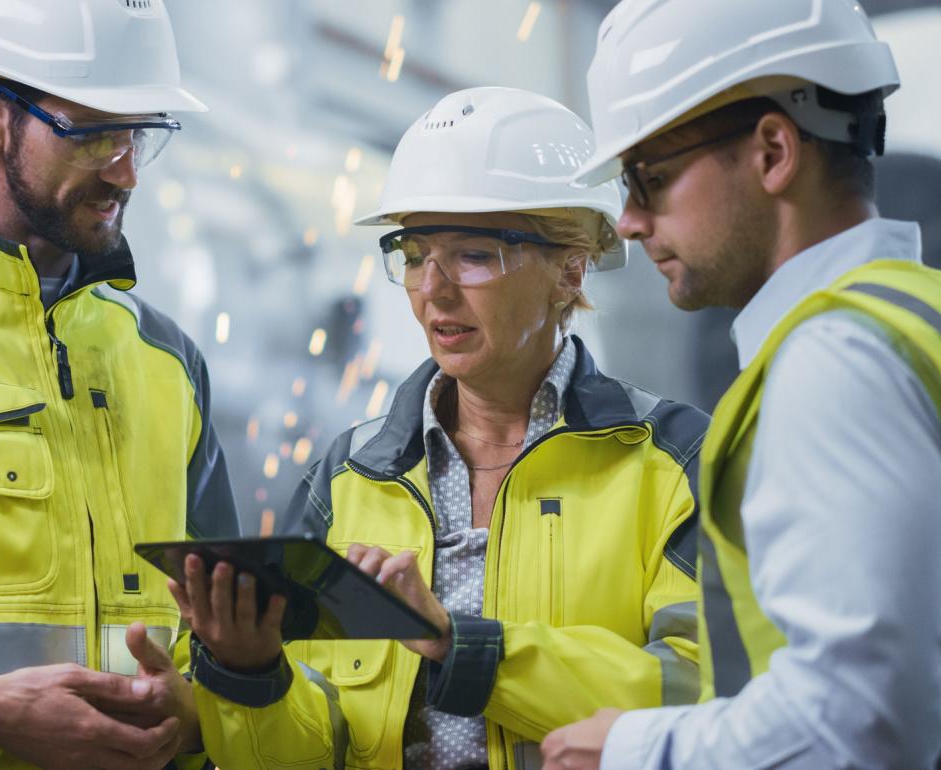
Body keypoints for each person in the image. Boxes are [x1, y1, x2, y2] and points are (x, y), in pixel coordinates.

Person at [170, 87, 709, 770]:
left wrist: (462, 647)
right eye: (417, 252)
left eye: (474, 254)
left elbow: (700, 698)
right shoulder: (352, 474)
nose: (434, 289)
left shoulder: (672, 463)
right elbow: (315, 749)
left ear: (569, 269)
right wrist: (249, 674)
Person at [540, 1, 941, 768]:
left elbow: (862, 723)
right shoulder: (910, 314)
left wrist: (635, 750)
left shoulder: (833, 364)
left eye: (650, 178)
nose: (626, 220)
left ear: (772, 152)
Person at [0, 0, 240, 767]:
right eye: (93, 131)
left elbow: (225, 632)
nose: (126, 168)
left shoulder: (167, 360)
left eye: (140, 133)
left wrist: (203, 709)